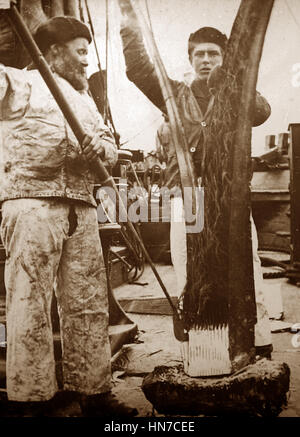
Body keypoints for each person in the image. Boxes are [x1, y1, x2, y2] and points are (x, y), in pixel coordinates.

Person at [0, 15, 137, 417]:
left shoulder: (84, 98)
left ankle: (94, 391)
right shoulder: (17, 83)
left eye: (86, 54)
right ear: (54, 53)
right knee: (30, 301)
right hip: (32, 202)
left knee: (88, 302)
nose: (84, 62)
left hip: (81, 206)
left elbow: (111, 147)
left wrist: (102, 148)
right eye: (79, 53)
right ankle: (32, 398)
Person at [118, 1, 272, 357]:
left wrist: (229, 82)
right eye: (200, 54)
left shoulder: (237, 88)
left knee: (247, 268)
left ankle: (258, 343)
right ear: (190, 60)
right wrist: (128, 16)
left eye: (214, 54)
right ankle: (203, 348)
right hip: (187, 199)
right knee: (188, 270)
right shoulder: (173, 94)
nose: (206, 60)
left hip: (230, 198)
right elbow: (138, 69)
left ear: (225, 58)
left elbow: (262, 112)